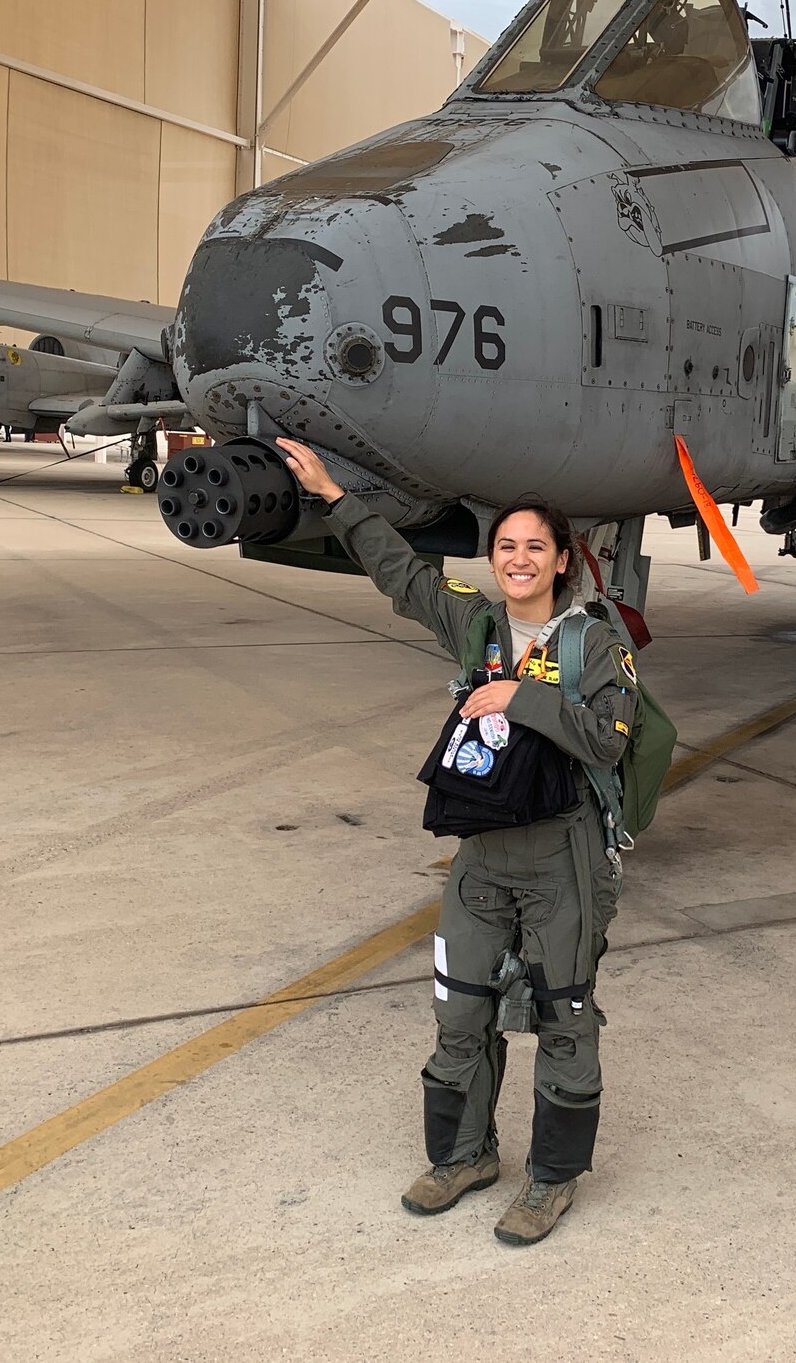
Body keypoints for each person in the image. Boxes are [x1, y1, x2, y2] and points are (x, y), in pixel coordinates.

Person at [275, 438, 636, 1247]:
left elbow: (610, 741)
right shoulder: (475, 626)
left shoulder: (594, 643)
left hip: (561, 859)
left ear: (560, 562)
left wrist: (522, 695)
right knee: (459, 1011)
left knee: (565, 1018)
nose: (516, 559)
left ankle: (552, 1180)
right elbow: (401, 576)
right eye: (505, 546)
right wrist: (335, 495)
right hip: (480, 858)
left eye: (533, 548)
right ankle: (464, 1157)